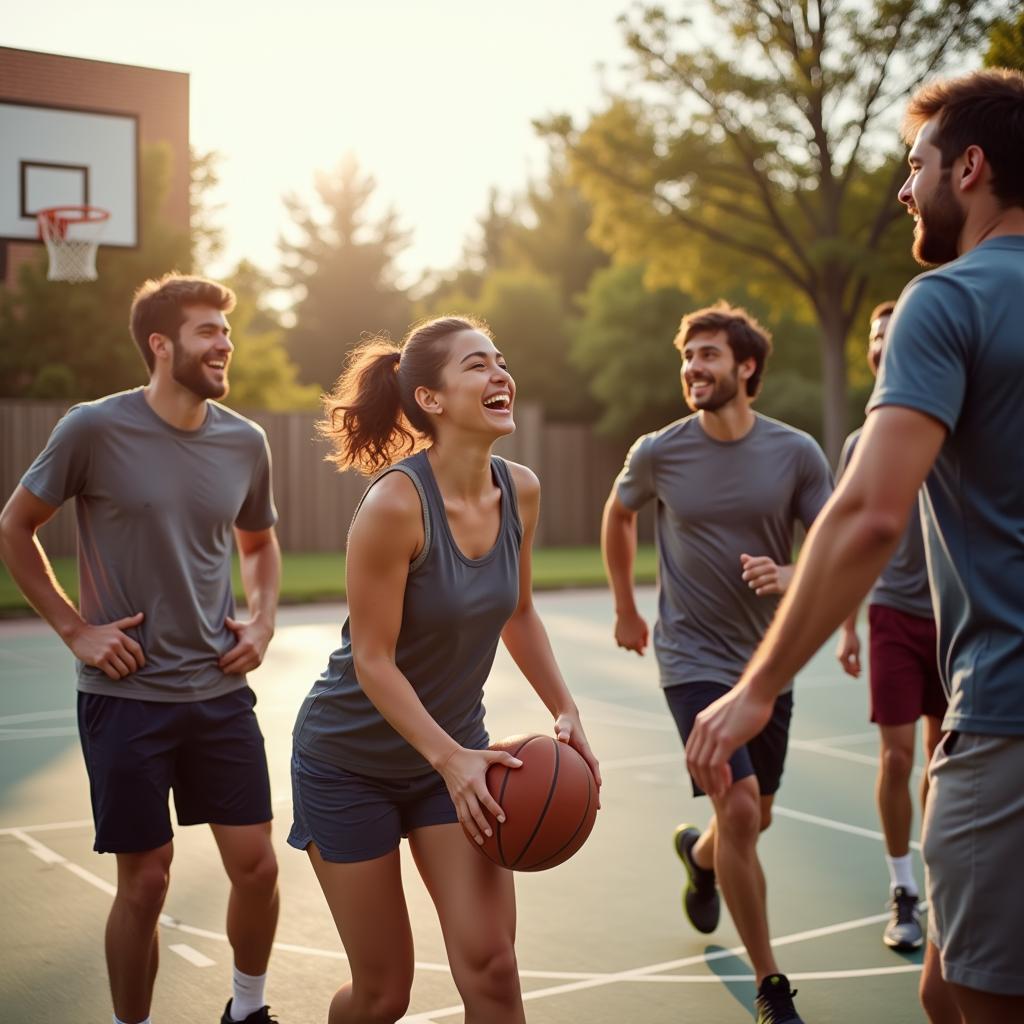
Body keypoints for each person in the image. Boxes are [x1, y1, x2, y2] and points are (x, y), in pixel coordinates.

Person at [685, 68, 1024, 1024]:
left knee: (975, 995)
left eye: (914, 166)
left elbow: (870, 514)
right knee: (940, 983)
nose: (904, 190)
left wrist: (756, 689)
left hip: (1008, 715)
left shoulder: (946, 301)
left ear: (970, 166)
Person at [288, 315, 600, 1024]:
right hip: (349, 761)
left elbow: (518, 613)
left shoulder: (520, 489)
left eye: (501, 360)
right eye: (477, 366)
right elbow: (371, 660)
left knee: (492, 968)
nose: (500, 376)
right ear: (430, 399)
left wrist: (566, 708)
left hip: (455, 755)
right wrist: (451, 759)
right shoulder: (395, 505)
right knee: (383, 996)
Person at [0, 274, 283, 1024]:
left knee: (256, 867)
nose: (224, 343)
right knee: (147, 882)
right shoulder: (92, 428)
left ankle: (247, 1011)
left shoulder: (244, 441)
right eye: (206, 331)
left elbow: (259, 543)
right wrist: (74, 628)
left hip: (219, 692)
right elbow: (14, 527)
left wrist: (262, 621)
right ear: (161, 345)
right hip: (126, 698)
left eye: (226, 331)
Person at [601, 302, 833, 1024]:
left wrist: (793, 575)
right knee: (737, 806)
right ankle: (772, 985)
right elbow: (619, 514)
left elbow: (832, 540)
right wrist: (626, 606)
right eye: (688, 356)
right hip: (690, 659)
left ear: (746, 366)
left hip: (768, 663)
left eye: (707, 355)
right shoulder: (658, 451)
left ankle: (700, 859)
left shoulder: (796, 453)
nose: (693, 368)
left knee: (752, 817)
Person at [834, 301, 947, 953]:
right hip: (895, 616)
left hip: (959, 619)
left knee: (942, 759)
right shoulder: (861, 442)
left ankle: (941, 877)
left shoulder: (956, 417)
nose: (883, 345)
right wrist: (848, 625)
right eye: (875, 337)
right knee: (898, 754)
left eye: (893, 333)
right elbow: (851, 540)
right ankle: (903, 889)